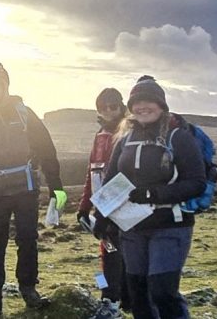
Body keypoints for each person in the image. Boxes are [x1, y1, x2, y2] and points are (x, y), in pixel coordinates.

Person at [0, 62, 67, 319]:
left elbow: (47, 150)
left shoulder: (24, 114)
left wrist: (56, 187)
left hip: (25, 190)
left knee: (27, 241)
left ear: (6, 86)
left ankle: (28, 290)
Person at [96, 76, 206, 319]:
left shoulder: (178, 137)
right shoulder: (125, 139)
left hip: (170, 225)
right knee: (138, 294)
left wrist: (153, 193)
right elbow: (112, 182)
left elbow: (197, 183)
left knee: (162, 292)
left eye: (149, 101)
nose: (142, 107)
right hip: (132, 228)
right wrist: (101, 217)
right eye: (137, 102)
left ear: (161, 105)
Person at [77, 88, 130, 319]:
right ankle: (115, 298)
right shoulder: (100, 135)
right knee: (110, 252)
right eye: (103, 107)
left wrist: (103, 210)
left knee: (118, 253)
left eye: (113, 106)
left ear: (121, 106)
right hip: (103, 207)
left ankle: (113, 301)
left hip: (123, 205)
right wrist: (84, 207)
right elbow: (93, 172)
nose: (108, 111)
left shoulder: (128, 133)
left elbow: (125, 174)